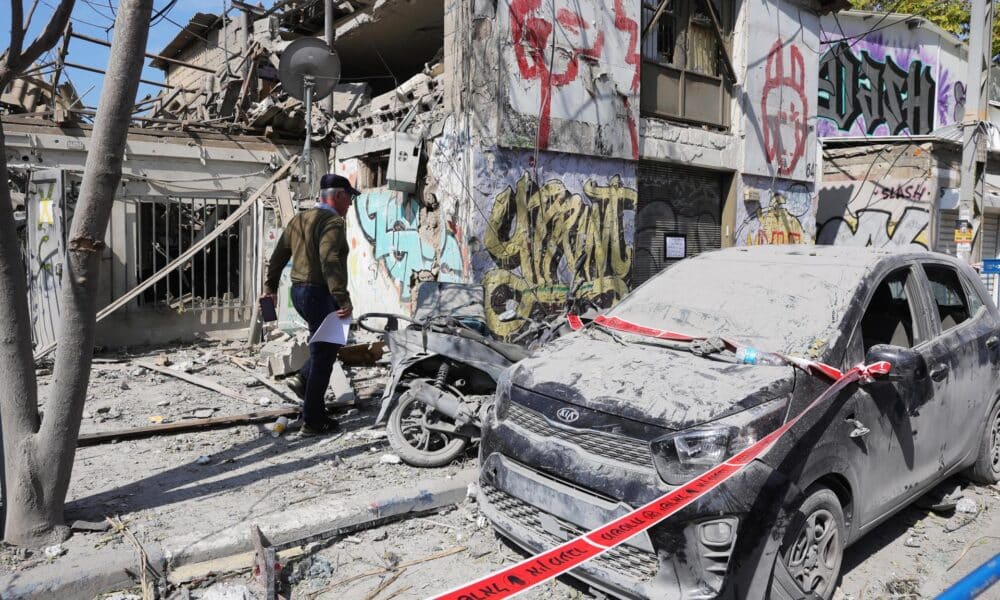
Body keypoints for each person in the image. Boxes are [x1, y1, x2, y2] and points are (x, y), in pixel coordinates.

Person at [263, 173, 360, 435]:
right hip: (320, 293)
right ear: (338, 195)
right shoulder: (333, 222)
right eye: (349, 197)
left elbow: (278, 256)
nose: (350, 203)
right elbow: (329, 259)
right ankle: (314, 420)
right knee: (325, 354)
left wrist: (270, 287)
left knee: (325, 349)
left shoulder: (299, 219)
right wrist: (342, 298)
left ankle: (303, 379)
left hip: (300, 294)